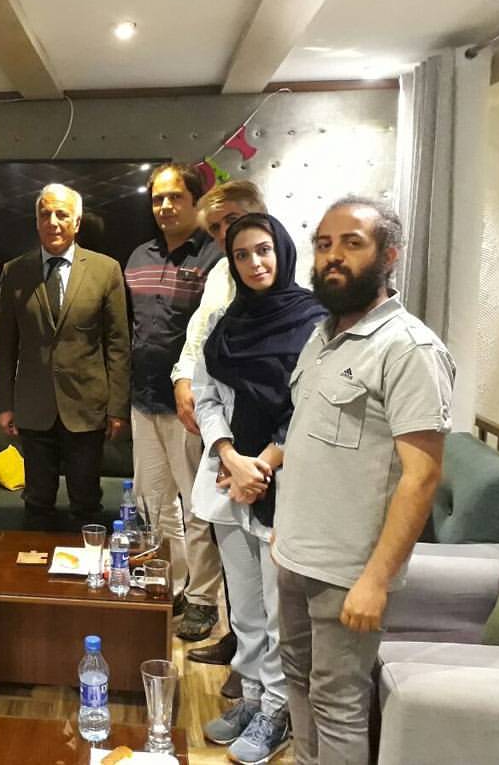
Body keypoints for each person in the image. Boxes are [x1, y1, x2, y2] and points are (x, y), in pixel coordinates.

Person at [275, 197, 454, 764]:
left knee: (338, 703)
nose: (333, 256)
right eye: (324, 244)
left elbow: (422, 476)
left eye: (352, 243)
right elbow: (312, 440)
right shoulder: (321, 336)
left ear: (388, 256)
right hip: (295, 556)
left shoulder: (409, 348)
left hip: (348, 571)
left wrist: (375, 581)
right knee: (297, 678)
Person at [193, 213, 327, 764]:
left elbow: (309, 407)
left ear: (284, 251)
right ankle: (250, 696)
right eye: (242, 255)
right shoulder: (225, 323)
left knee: (278, 612)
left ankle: (278, 709)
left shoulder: (316, 323)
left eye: (263, 250)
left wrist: (262, 465)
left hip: (282, 483)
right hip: (229, 479)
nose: (254, 263)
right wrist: (229, 455)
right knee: (244, 608)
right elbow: (205, 396)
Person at [123, 163, 223, 642]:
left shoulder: (215, 257)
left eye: (175, 197)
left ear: (195, 201)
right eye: (158, 199)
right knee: (155, 505)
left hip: (192, 408)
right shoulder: (137, 256)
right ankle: (175, 585)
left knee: (198, 509)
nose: (165, 206)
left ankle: (203, 599)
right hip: (143, 401)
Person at [171, 179, 268, 676]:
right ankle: (240, 644)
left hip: (265, 436)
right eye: (215, 228)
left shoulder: (278, 274)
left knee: (261, 556)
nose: (225, 233)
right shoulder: (220, 274)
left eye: (231, 220)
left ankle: (261, 667)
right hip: (220, 427)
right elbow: (199, 337)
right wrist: (182, 379)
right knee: (232, 546)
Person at [0, 183, 130, 527]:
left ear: (77, 222)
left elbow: (118, 343)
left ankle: (87, 562)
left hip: (87, 408)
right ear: (36, 221)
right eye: (45, 214)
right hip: (33, 408)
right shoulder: (15, 271)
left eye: (62, 214)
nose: (52, 222)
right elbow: (6, 344)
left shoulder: (106, 270)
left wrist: (117, 407)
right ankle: (36, 562)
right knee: (37, 501)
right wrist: (5, 403)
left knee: (86, 502)